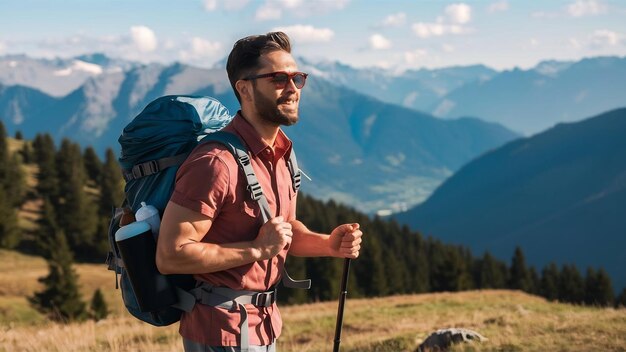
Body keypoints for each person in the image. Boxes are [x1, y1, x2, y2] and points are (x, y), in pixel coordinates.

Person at [155, 31, 363, 352]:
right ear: (245, 88)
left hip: (264, 325)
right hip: (220, 331)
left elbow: (285, 231)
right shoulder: (215, 163)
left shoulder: (282, 153)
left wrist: (328, 244)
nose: (293, 88)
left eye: (297, 78)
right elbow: (172, 254)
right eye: (279, 79)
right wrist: (255, 250)